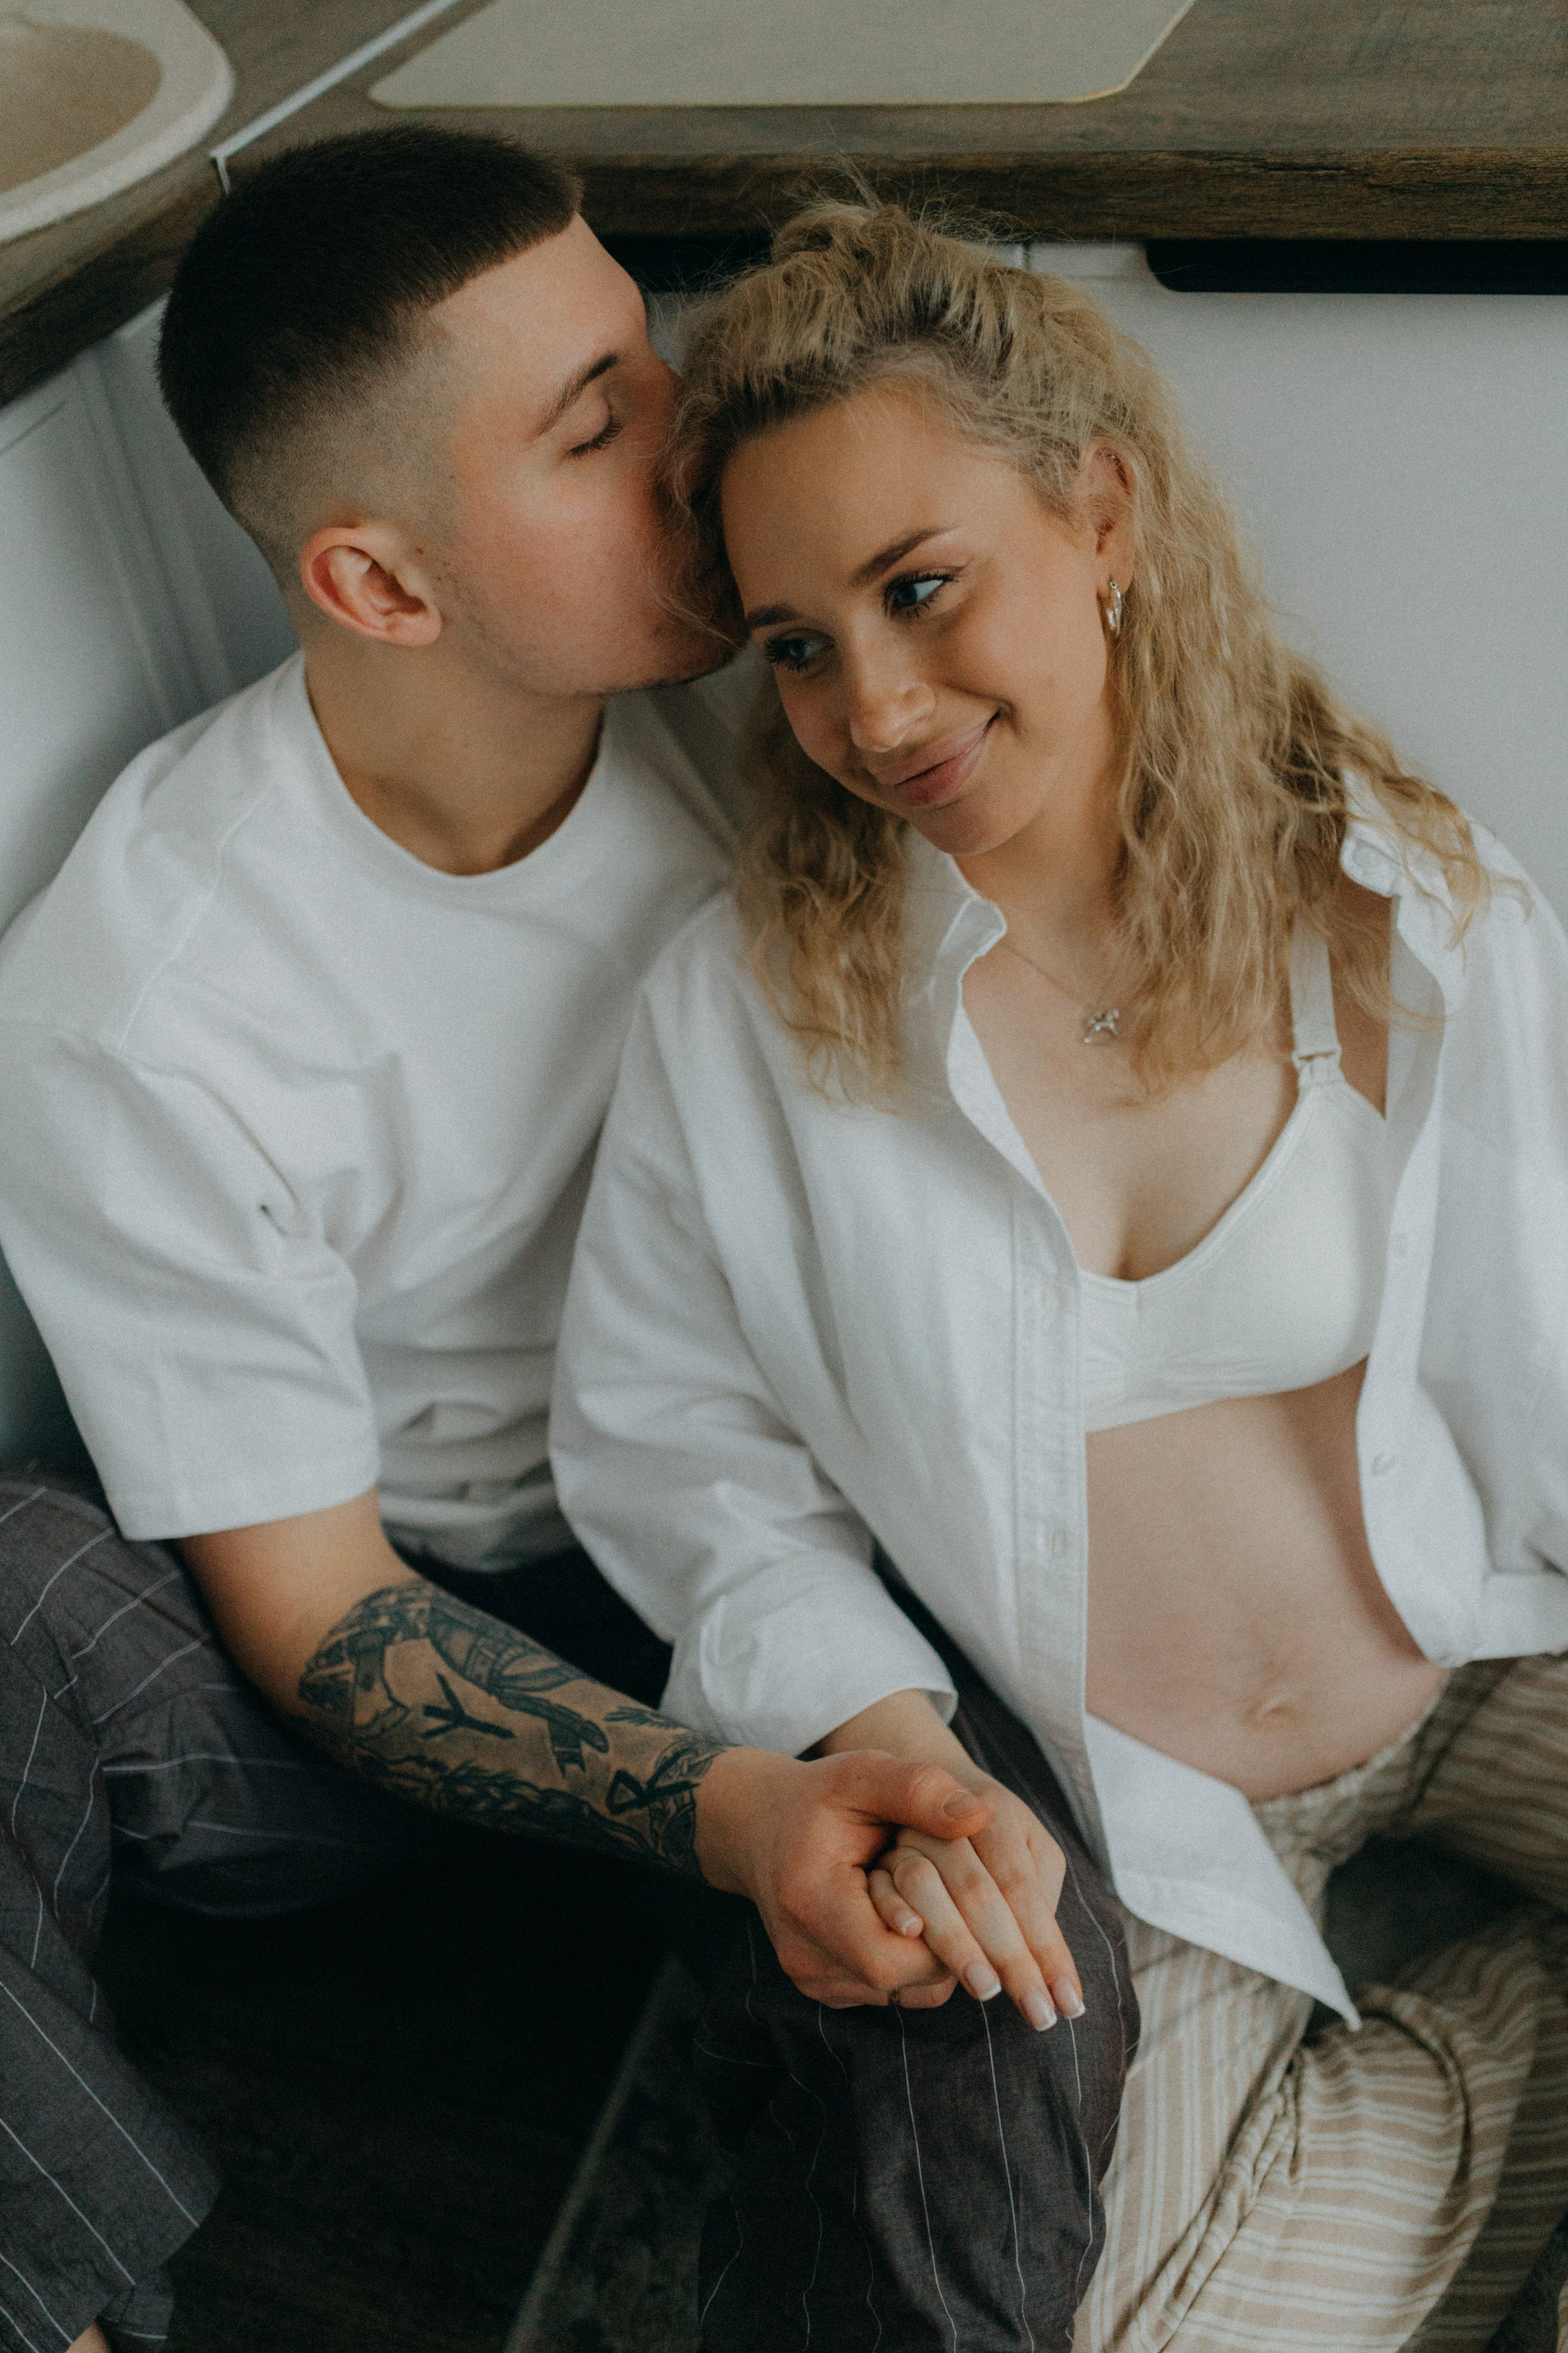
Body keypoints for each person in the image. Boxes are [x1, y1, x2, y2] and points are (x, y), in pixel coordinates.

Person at [0, 140, 998, 2353]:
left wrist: (811, 1762)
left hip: (786, 1558)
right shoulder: (140, 995)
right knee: (2, 1588)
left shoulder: (793, 704)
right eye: (594, 425)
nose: (692, 446)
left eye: (652, 364)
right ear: (377, 582)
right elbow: (316, 1612)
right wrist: (723, 1808)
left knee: (976, 1963)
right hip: (399, 1656)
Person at [554, 199, 1568, 2351]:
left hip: (1483, 1651)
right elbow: (678, 1456)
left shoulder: (1401, 903)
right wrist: (885, 1729)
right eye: (797, 645)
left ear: (1100, 516)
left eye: (920, 589)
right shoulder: (741, 1017)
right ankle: (1516, 2025)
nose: (874, 704)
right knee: (1127, 2336)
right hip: (1147, 1814)